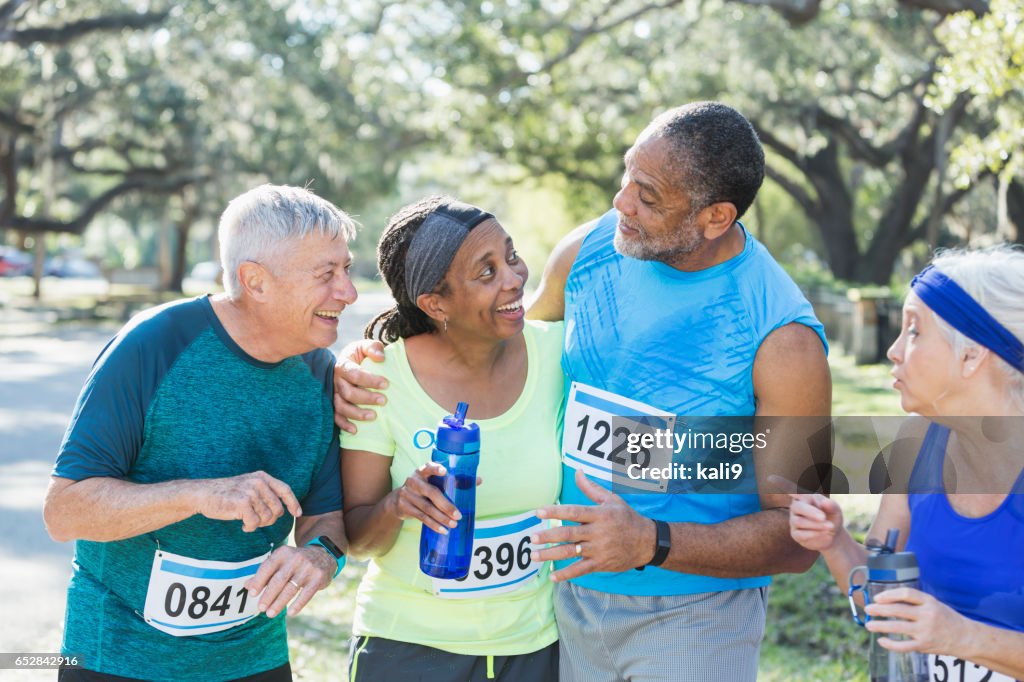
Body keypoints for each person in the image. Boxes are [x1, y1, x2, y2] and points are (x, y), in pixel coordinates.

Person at [334, 102, 832, 681]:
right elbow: (498, 346)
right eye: (627, 176)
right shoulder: (591, 250)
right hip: (565, 608)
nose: (621, 202)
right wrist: (373, 358)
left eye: (648, 196)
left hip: (695, 614)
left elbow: (800, 537)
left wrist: (653, 541)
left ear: (715, 218)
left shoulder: (784, 340)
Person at [42, 184, 355, 682]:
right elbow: (64, 512)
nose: (348, 292)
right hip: (116, 659)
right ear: (255, 281)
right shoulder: (153, 345)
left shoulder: (321, 374)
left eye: (346, 270)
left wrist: (320, 556)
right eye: (326, 275)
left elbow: (327, 521)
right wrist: (200, 495)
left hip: (255, 661)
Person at [341, 196, 562, 682]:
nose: (513, 278)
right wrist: (398, 505)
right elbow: (357, 538)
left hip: (534, 648)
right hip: (407, 649)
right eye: (485, 273)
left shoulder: (558, 354)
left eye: (511, 256)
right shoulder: (377, 378)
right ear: (435, 303)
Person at [787, 246, 1024, 680]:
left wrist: (962, 636)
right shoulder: (916, 441)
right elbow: (881, 605)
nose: (894, 351)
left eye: (914, 332)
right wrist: (835, 541)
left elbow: (947, 633)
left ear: (971, 355)